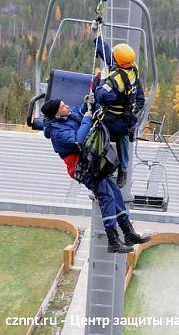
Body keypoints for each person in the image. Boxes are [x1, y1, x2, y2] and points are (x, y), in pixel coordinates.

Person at [41, 97, 150, 253]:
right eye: (62, 106)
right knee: (106, 196)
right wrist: (86, 118)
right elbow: (79, 140)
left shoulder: (66, 117)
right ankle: (112, 240)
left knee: (114, 191)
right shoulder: (58, 132)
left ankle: (127, 231)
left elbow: (80, 110)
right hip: (82, 166)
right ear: (57, 114)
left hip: (89, 161)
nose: (66, 105)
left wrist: (87, 103)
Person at [93, 34, 145, 188]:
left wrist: (101, 79)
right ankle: (123, 170)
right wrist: (98, 38)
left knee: (97, 131)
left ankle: (98, 163)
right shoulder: (132, 69)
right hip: (127, 118)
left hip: (113, 120)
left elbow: (101, 96)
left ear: (117, 62)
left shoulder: (115, 80)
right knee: (123, 137)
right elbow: (110, 55)